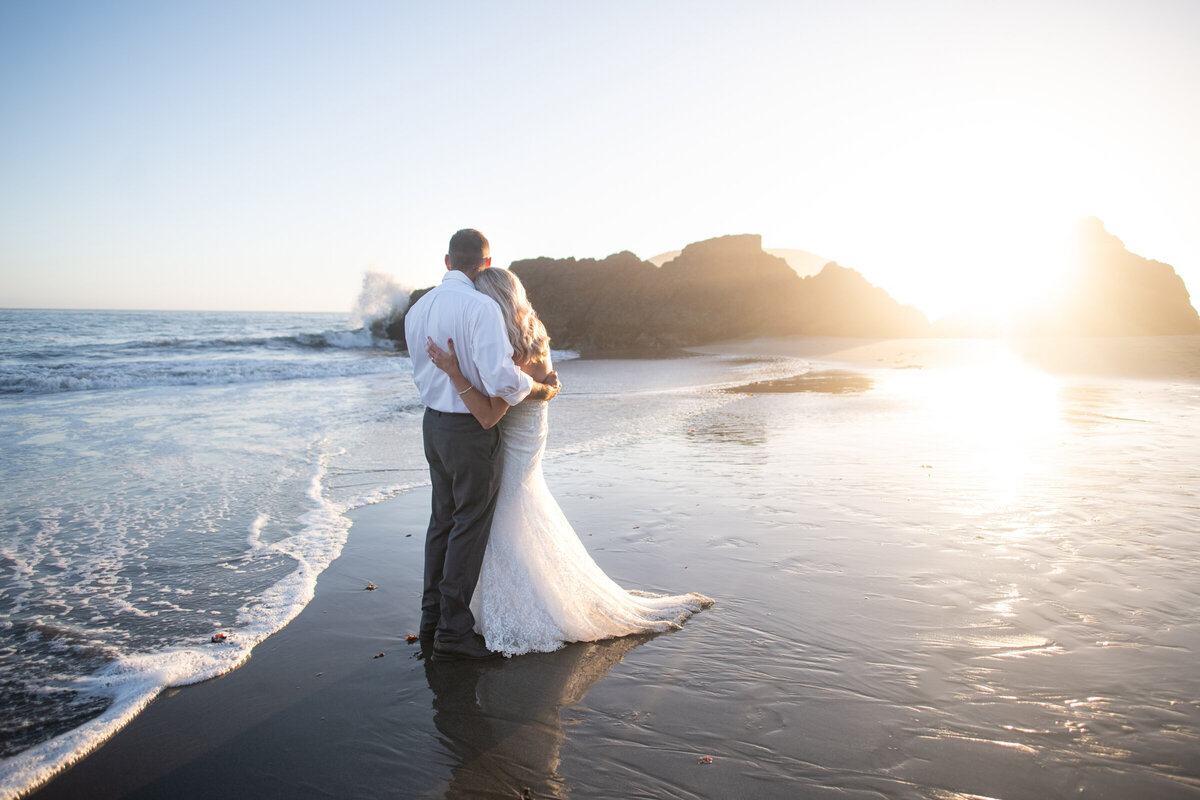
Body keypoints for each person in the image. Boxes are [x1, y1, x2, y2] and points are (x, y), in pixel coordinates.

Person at [426, 267, 713, 657]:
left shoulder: (508, 347)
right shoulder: (532, 331)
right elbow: (533, 387)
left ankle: (516, 606)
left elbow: (492, 410)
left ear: (491, 301)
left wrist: (454, 371)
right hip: (526, 434)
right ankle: (491, 603)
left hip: (513, 435)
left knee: (506, 514)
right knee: (514, 513)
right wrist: (545, 389)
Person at [405, 229, 562, 662]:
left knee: (441, 521)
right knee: (468, 526)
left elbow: (422, 369)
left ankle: (430, 622)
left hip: (432, 425)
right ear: (487, 263)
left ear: (447, 261)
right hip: (469, 429)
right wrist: (537, 385)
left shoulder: (417, 309)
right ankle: (454, 632)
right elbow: (499, 384)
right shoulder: (480, 307)